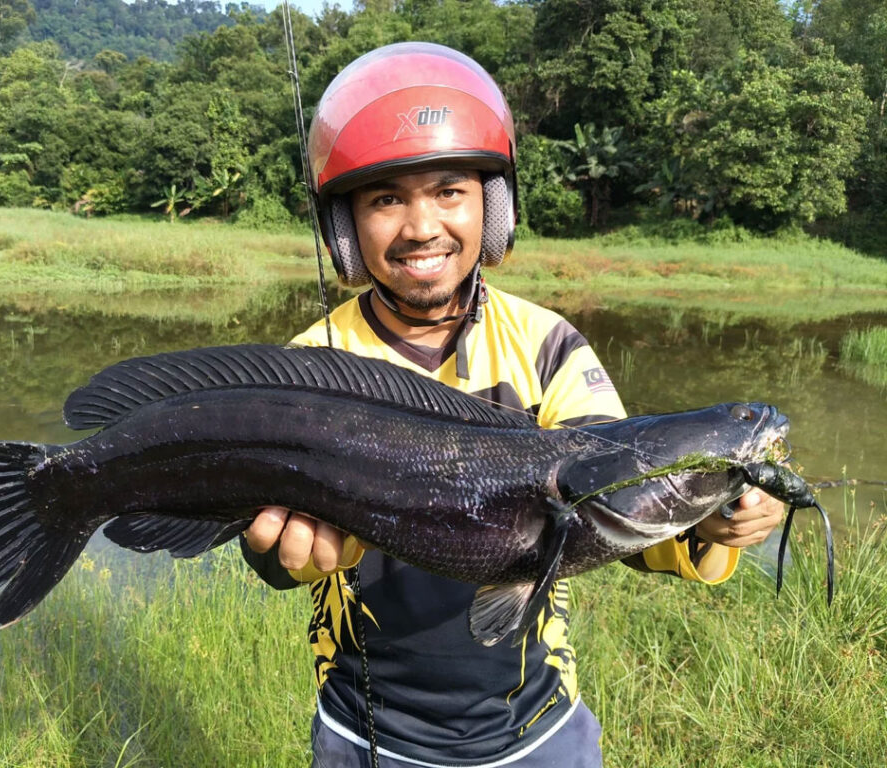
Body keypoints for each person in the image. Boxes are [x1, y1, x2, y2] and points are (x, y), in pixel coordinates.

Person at [241, 42, 784, 768]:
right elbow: (268, 550)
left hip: (540, 733)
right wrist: (280, 560)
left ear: (492, 206)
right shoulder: (306, 370)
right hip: (364, 735)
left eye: (448, 190)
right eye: (384, 199)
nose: (421, 226)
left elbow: (616, 502)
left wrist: (716, 518)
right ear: (344, 227)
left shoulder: (547, 344)